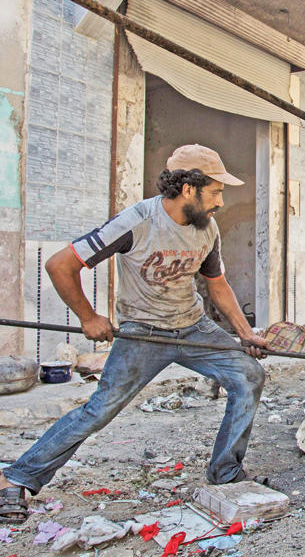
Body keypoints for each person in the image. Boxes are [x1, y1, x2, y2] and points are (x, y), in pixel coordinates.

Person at [0, 144, 270, 523]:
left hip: (192, 326)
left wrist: (246, 334)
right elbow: (61, 264)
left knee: (249, 375)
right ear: (189, 189)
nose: (220, 202)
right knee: (99, 410)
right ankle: (17, 477)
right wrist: (88, 316)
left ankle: (225, 473)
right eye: (215, 191)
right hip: (143, 332)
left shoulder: (206, 228)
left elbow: (217, 283)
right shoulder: (136, 222)